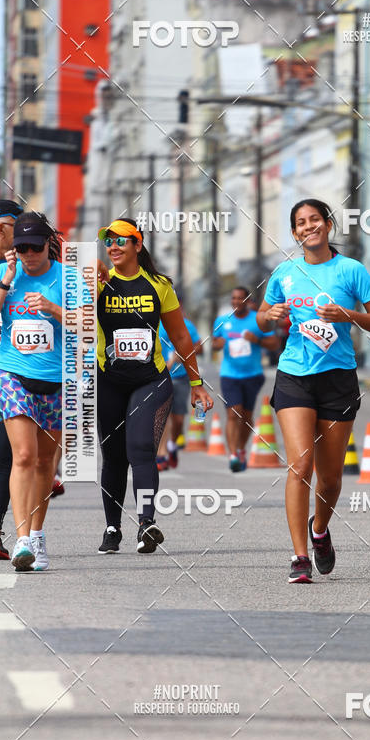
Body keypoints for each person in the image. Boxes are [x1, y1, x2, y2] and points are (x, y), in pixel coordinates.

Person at [256, 198, 370, 583]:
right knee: (300, 465)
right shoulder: (285, 272)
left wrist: (348, 315)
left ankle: (319, 530)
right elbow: (264, 320)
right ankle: (299, 556)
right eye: (300, 222)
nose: (308, 226)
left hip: (338, 379)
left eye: (315, 219)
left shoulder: (351, 270)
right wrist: (271, 316)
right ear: (295, 232)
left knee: (329, 478)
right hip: (294, 375)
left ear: (328, 225)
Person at [96, 217, 212, 554]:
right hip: (110, 381)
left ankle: (146, 523)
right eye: (109, 241)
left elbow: (179, 336)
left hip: (151, 379)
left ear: (137, 244)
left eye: (121, 240)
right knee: (114, 457)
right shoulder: (100, 283)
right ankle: (112, 527)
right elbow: (78, 313)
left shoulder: (158, 285)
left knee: (142, 449)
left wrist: (197, 383)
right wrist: (93, 275)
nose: (113, 246)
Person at [0, 211, 83, 571]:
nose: (28, 254)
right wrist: (5, 282)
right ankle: (23, 538)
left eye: (34, 247)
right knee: (25, 456)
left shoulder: (68, 278)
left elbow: (86, 325)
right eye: (21, 247)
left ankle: (38, 533)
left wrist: (53, 309)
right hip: (11, 373)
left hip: (57, 379)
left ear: (49, 245)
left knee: (46, 461)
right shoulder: (4, 274)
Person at [213, 287, 278, 472]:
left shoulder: (257, 320)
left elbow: (274, 344)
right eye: (233, 298)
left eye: (240, 298)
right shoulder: (222, 320)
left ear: (247, 300)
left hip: (253, 375)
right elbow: (215, 343)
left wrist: (256, 340)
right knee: (234, 414)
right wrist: (220, 343)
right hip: (229, 374)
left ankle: (241, 449)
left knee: (247, 417)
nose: (236, 302)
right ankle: (233, 454)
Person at [0, 199, 23, 559]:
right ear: (1, 229)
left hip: (7, 377)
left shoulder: (26, 270)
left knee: (1, 455)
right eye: (18, 228)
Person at [156, 314, 202, 469]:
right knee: (163, 415)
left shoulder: (186, 324)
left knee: (178, 420)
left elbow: (199, 346)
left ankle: (172, 446)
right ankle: (161, 455)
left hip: (181, 377)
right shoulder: (154, 322)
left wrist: (183, 353)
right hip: (161, 377)